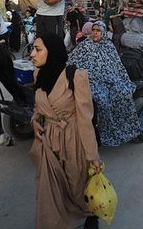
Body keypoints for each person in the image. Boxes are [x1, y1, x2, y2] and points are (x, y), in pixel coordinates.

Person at [29, 32, 102, 229]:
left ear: (51, 52)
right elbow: (39, 108)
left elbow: (85, 119)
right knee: (50, 192)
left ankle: (89, 216)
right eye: (32, 49)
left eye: (37, 49)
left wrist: (92, 156)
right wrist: (35, 121)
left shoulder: (76, 77)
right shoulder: (39, 75)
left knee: (76, 188)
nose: (32, 54)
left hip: (72, 141)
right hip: (49, 142)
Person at [68, 22, 141, 147]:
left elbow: (117, 66)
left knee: (123, 94)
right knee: (101, 100)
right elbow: (71, 61)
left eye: (98, 30)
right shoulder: (84, 46)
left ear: (103, 33)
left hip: (111, 80)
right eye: (93, 30)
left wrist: (118, 79)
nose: (95, 33)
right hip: (91, 81)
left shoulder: (109, 46)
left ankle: (128, 129)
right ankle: (103, 134)